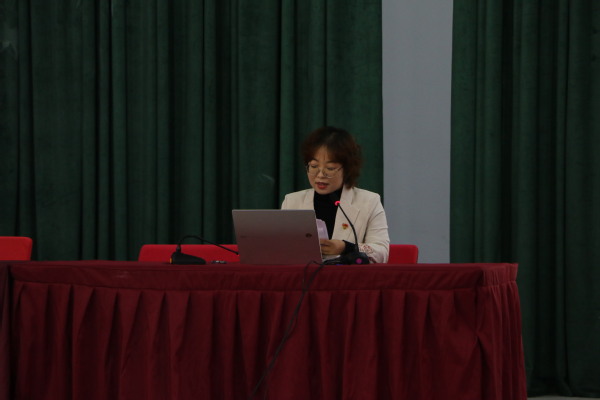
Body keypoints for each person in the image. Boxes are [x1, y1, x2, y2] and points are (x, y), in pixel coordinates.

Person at [281, 126, 390, 263]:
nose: (320, 175)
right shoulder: (292, 201)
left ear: (347, 169)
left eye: (330, 168)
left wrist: (346, 247)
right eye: (314, 166)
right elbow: (282, 249)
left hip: (348, 276)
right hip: (304, 275)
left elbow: (382, 253)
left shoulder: (369, 201)